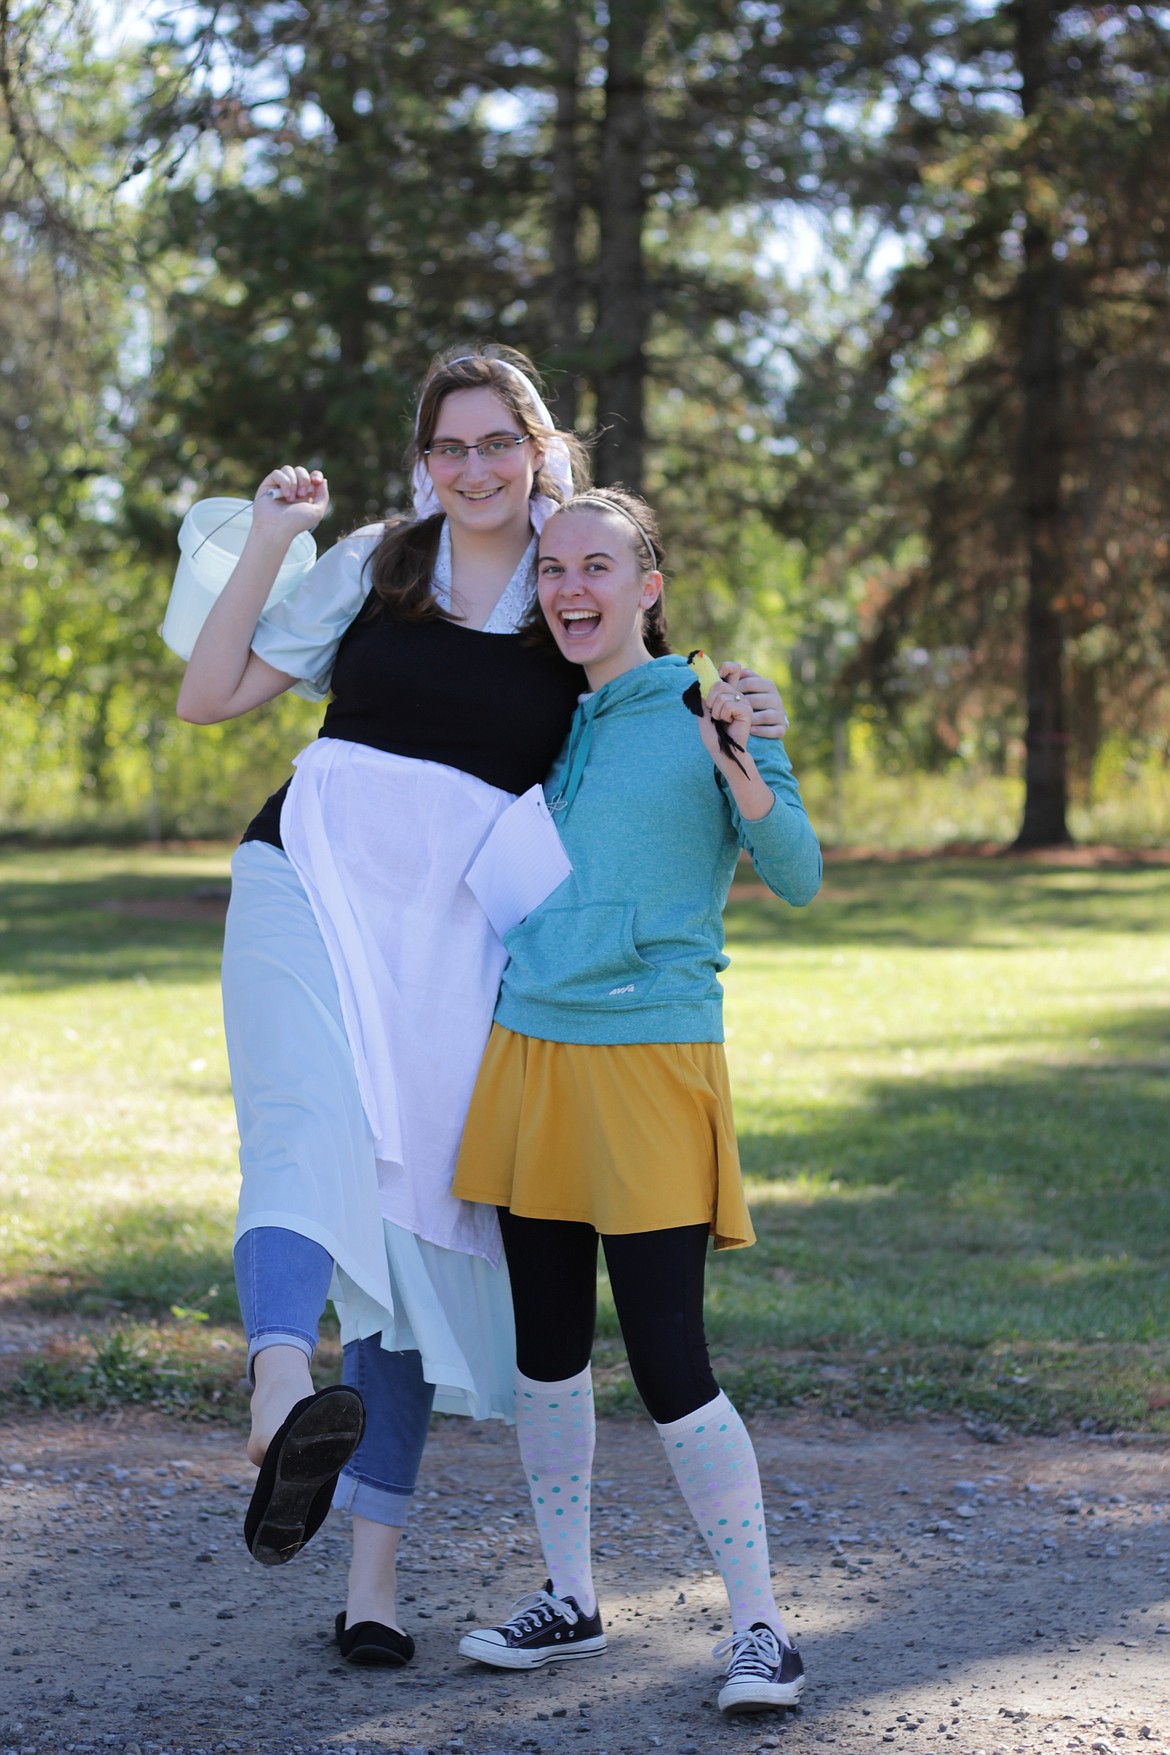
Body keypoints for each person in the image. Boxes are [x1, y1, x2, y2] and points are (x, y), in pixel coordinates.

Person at [176, 348, 792, 1667]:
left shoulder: (564, 593)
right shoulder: (376, 564)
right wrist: (273, 539)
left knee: (410, 1225)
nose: (471, 467)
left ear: (534, 447)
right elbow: (210, 691)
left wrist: (739, 714)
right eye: (447, 446)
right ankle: (280, 1380)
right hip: (311, 864)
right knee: (297, 1124)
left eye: (493, 442)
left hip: (452, 934)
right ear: (421, 460)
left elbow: (647, 694)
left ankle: (372, 1582)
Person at [451, 486, 821, 1713]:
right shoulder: (551, 721)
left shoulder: (710, 706)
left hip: (654, 1057)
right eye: (552, 568)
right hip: (530, 1053)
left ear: (648, 587)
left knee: (671, 1359)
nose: (569, 587)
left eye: (596, 566)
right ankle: (571, 1598)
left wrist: (749, 765)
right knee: (545, 1355)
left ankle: (763, 1629)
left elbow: (800, 874)